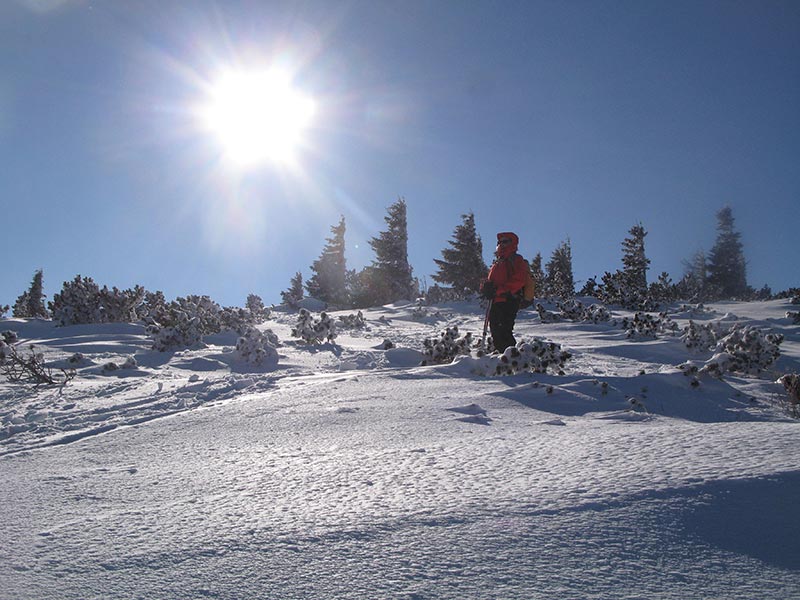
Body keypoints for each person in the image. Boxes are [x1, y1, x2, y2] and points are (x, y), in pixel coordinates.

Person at [480, 232, 528, 353]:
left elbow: (519, 279)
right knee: (496, 331)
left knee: (503, 330)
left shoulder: (516, 259)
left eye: (505, 241)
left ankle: (512, 359)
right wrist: (485, 288)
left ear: (512, 243)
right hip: (496, 301)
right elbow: (490, 281)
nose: (501, 244)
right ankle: (504, 359)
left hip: (509, 299)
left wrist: (500, 289)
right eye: (500, 242)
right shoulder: (497, 263)